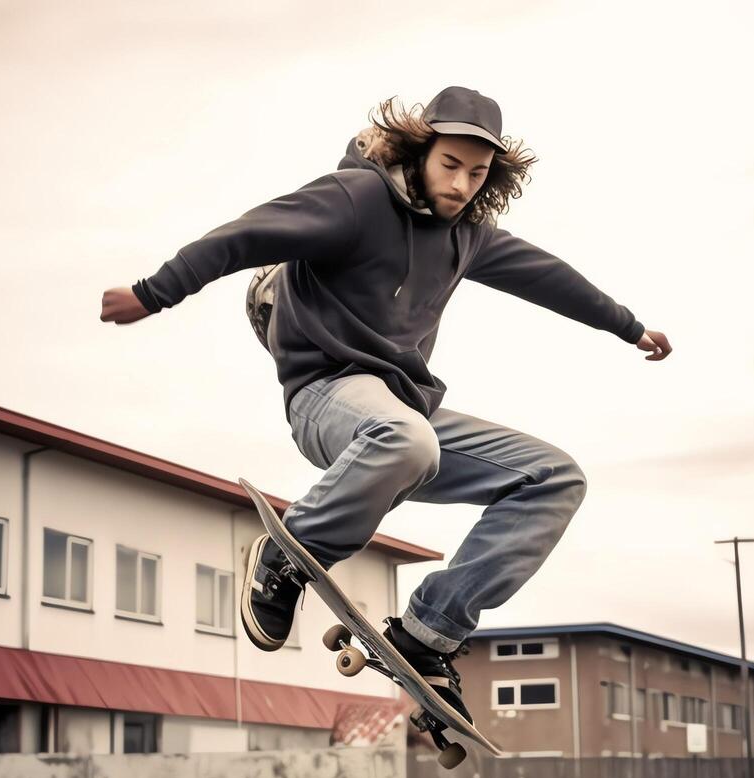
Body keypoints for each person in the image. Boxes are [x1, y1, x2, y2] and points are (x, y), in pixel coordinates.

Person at [100, 86, 671, 723]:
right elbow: (246, 235)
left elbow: (548, 277)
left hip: (404, 418)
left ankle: (431, 630)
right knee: (407, 437)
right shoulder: (357, 198)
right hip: (325, 398)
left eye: (476, 174)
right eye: (450, 164)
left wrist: (628, 327)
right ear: (421, 150)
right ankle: (284, 556)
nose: (460, 185)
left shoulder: (470, 235)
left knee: (554, 476)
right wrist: (155, 291)